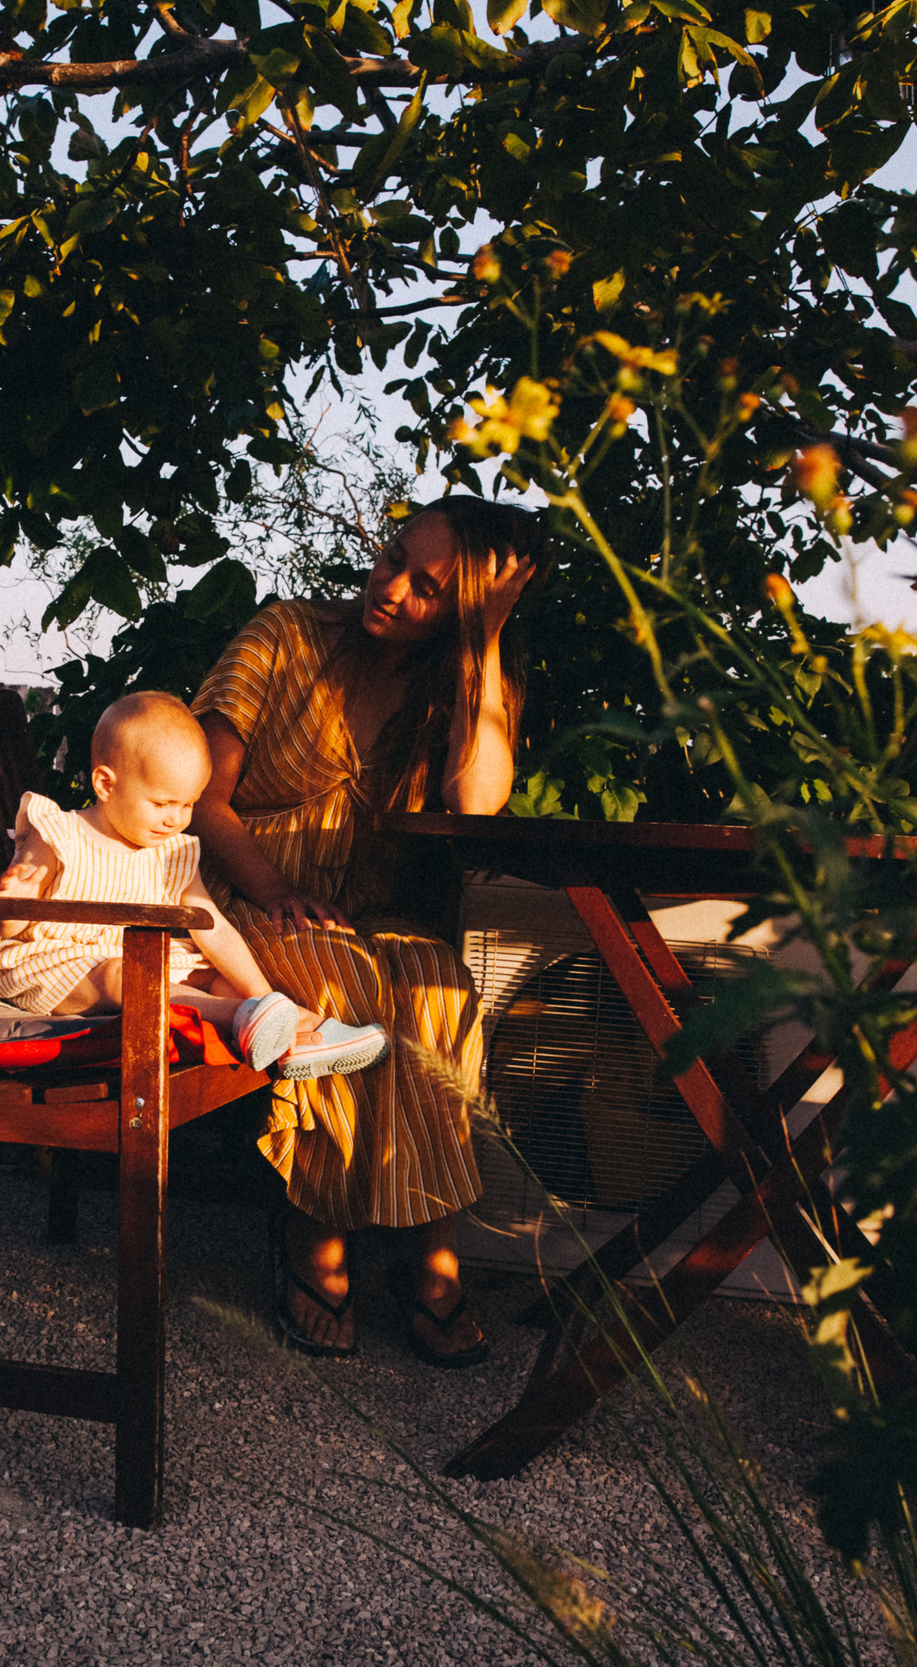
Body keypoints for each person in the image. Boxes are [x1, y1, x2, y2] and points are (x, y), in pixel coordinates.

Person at [191, 497, 551, 1365]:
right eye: (394, 557)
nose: (389, 587)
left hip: (381, 915)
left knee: (435, 987)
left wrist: (482, 645)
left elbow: (478, 802)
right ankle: (316, 1235)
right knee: (342, 983)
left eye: (429, 588)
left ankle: (430, 1250)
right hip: (247, 905)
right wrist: (275, 887)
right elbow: (199, 798)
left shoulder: (461, 682)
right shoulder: (284, 635)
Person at [0, 691, 389, 1079]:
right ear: (106, 784)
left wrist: (266, 997)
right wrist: (15, 906)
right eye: (162, 803)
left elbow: (215, 931)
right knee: (124, 975)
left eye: (188, 803)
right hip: (53, 966)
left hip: (141, 958)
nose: (176, 818)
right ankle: (246, 1019)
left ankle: (300, 1031)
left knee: (221, 979)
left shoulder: (171, 852)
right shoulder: (57, 832)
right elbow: (10, 926)